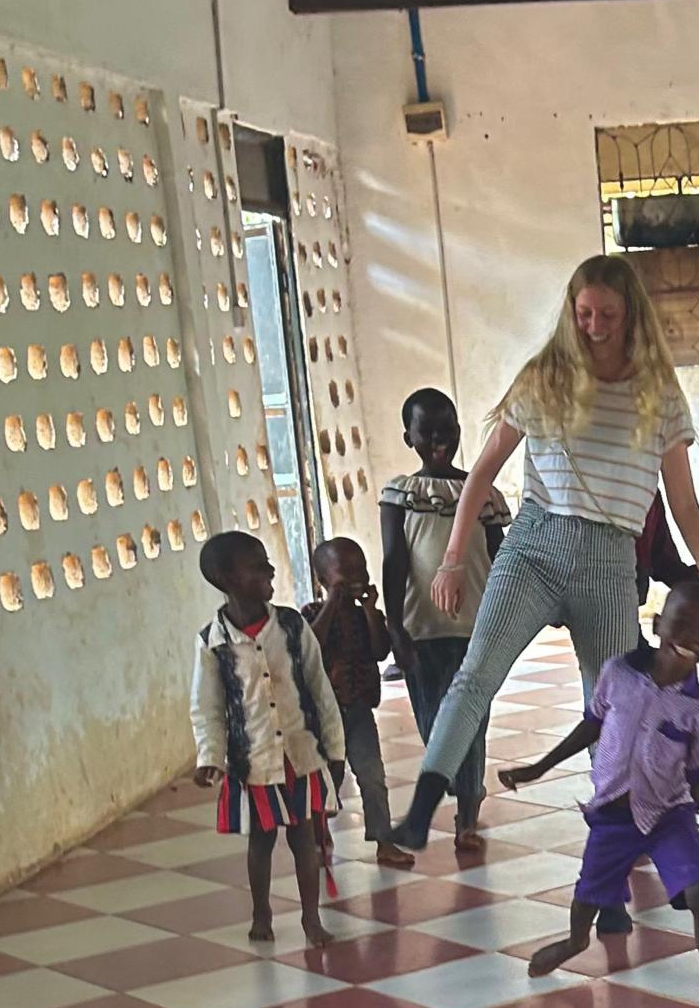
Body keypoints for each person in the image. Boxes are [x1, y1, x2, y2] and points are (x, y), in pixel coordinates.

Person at [392, 254, 699, 849]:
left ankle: (614, 832)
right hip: (533, 545)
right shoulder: (543, 376)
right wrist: (452, 557)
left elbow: (683, 501)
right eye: (584, 313)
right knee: (475, 677)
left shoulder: (658, 394)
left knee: (615, 702)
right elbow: (483, 472)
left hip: (608, 558)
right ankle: (420, 812)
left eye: (609, 315)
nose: (595, 325)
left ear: (632, 317)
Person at [499, 582, 699, 1008]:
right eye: (682, 623)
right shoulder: (617, 673)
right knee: (588, 901)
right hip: (612, 817)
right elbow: (592, 722)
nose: (692, 636)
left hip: (669, 816)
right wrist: (538, 767)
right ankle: (575, 942)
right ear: (657, 624)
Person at [190, 531, 344, 946]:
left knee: (304, 838)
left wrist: (334, 749)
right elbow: (206, 707)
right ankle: (262, 912)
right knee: (260, 841)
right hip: (253, 759)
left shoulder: (292, 626)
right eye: (257, 566)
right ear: (227, 579)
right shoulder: (213, 644)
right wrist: (211, 756)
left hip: (299, 754)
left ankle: (311, 919)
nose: (269, 570)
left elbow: (319, 689)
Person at [380, 388, 512, 852]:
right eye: (426, 431)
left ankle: (467, 819)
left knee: (472, 723)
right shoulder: (401, 493)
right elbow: (394, 562)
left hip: (476, 630)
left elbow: (503, 559)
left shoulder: (483, 492)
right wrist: (395, 627)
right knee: (434, 724)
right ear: (408, 437)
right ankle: (460, 786)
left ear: (460, 432)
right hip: (422, 633)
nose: (439, 440)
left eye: (448, 430)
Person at [303, 538, 414, 868]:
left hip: (359, 709)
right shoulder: (310, 614)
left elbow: (380, 651)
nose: (356, 578)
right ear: (324, 581)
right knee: (327, 781)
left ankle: (383, 840)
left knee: (372, 775)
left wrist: (369, 612)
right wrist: (330, 606)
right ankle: (319, 837)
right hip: (323, 716)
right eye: (344, 574)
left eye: (361, 570)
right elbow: (312, 649)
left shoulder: (368, 616)